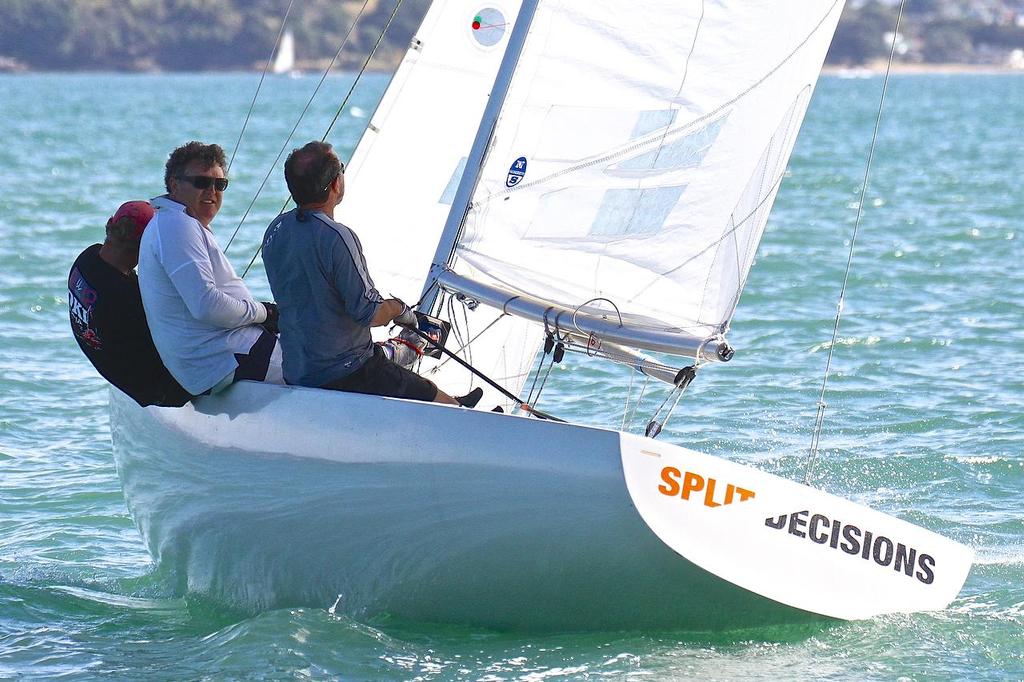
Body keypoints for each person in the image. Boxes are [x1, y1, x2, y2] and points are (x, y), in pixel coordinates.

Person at [261, 141, 481, 407]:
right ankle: (461, 412)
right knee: (418, 388)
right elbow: (370, 313)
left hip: (298, 370)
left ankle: (455, 401)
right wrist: (399, 310)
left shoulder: (276, 230)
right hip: (346, 372)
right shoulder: (337, 237)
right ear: (335, 184)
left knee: (391, 362)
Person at [138, 141, 283, 396]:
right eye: (202, 183)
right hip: (223, 359)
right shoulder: (176, 226)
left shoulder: (178, 222)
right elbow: (206, 305)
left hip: (223, 353)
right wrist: (264, 313)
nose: (212, 192)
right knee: (330, 366)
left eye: (220, 184)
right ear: (174, 185)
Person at [68, 201, 191, 407]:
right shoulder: (126, 297)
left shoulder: (87, 257)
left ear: (110, 225)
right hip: (162, 391)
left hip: (118, 372)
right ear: (147, 246)